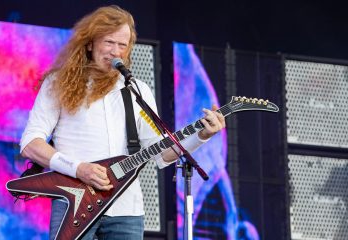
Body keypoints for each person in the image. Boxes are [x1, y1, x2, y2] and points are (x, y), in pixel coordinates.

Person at [20, 5, 225, 240]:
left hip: (126, 209)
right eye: (109, 42)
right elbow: (30, 143)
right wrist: (79, 169)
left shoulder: (137, 90)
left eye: (122, 45)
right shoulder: (58, 84)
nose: (115, 51)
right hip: (73, 203)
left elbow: (161, 154)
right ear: (90, 43)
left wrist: (201, 135)